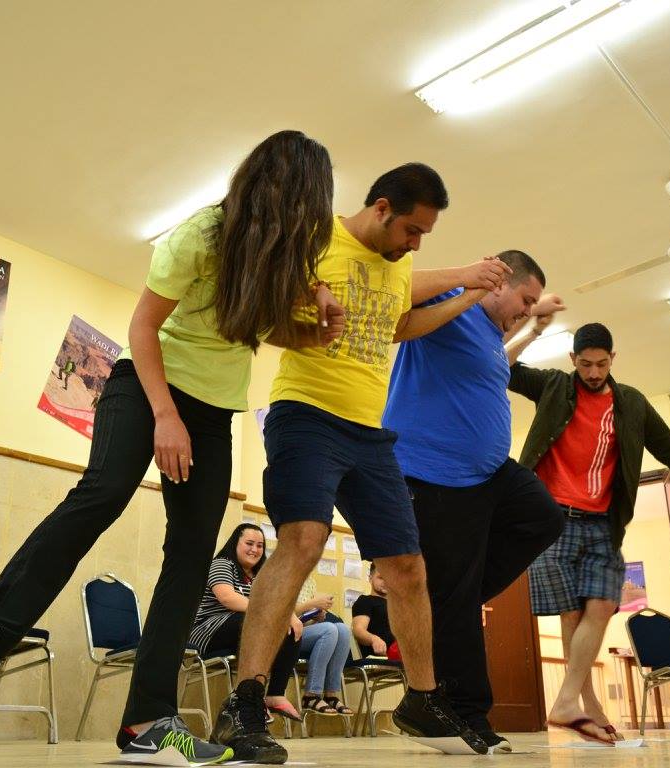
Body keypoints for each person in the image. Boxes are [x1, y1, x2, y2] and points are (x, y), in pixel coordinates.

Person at [0, 130, 345, 764]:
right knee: (103, 492)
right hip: (145, 383)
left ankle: (147, 721)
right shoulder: (200, 236)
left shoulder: (282, 260)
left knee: (192, 555)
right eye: (303, 206)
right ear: (271, 192)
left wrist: (316, 321)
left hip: (213, 412)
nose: (308, 222)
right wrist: (165, 415)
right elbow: (143, 325)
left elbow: (255, 325)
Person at [210, 163, 513, 762]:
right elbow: (262, 299)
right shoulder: (316, 235)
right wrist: (463, 274)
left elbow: (398, 325)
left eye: (424, 234)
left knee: (407, 567)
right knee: (302, 540)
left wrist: (471, 292)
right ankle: (245, 701)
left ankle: (421, 699)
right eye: (411, 229)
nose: (415, 243)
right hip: (306, 413)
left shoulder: (397, 265)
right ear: (380, 208)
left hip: (370, 433)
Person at [507, 321, 670, 744]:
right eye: (585, 364)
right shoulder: (553, 386)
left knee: (603, 605)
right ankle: (586, 704)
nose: (593, 373)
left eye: (601, 364)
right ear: (572, 360)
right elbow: (501, 366)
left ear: (613, 359)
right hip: (552, 516)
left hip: (602, 520)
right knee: (572, 613)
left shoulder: (631, 404)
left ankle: (566, 702)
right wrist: (532, 331)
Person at [382, 249, 567, 752]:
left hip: (488, 474)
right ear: (500, 282)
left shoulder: (488, 336)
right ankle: (467, 715)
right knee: (456, 597)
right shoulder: (454, 301)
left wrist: (533, 328)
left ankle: (446, 600)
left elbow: (493, 363)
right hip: (436, 475)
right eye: (524, 299)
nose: (526, 308)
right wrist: (469, 279)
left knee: (543, 518)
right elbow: (396, 293)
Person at [190, 524, 303, 720]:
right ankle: (251, 698)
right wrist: (271, 612)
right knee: (259, 623)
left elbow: (279, 604)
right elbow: (228, 598)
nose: (254, 550)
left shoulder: (262, 574)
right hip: (209, 629)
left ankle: (275, 694)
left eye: (260, 545)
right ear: (235, 543)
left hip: (244, 629)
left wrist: (288, 615)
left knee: (292, 629)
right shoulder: (222, 564)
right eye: (249, 543)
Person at [295, 597, 354, 715]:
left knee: (344, 630)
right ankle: (311, 695)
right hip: (286, 633)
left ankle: (330, 695)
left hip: (303, 629)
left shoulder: (309, 586)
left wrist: (316, 616)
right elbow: (284, 613)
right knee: (329, 629)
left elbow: (303, 618)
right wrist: (311, 604)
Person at [351, 561, 398, 659]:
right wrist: (374, 639)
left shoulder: (397, 606)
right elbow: (358, 630)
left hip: (401, 656)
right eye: (381, 577)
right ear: (370, 578)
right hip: (382, 657)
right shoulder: (365, 601)